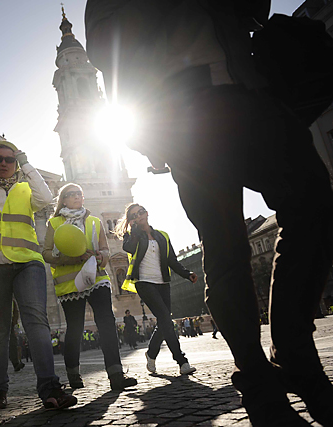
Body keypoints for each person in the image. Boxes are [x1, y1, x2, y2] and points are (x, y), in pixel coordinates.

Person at [86, 2, 333, 425]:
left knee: (315, 204)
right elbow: (110, 49)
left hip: (249, 87)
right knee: (223, 241)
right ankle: (256, 379)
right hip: (182, 107)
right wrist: (145, 133)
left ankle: (293, 348)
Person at [0, 141, 77, 410]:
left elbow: (47, 199)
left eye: (10, 159)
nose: (4, 163)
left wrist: (26, 163)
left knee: (36, 321)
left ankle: (50, 387)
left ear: (16, 163)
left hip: (27, 262)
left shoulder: (26, 189)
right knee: (0, 330)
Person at [42, 183, 137, 391]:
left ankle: (116, 374)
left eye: (79, 194)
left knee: (107, 323)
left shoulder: (95, 221)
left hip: (97, 278)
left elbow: (105, 249)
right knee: (74, 328)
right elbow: (46, 254)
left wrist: (101, 256)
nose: (76, 197)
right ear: (63, 200)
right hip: (69, 284)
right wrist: (68, 257)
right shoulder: (54, 223)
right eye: (71, 194)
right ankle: (73, 375)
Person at [115, 204, 197, 376]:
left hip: (162, 282)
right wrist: (135, 229)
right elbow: (128, 248)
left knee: (164, 321)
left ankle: (151, 353)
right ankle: (182, 361)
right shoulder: (132, 236)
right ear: (131, 220)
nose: (139, 215)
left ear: (147, 213)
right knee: (166, 318)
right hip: (144, 282)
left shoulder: (162, 235)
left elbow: (171, 261)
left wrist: (186, 273)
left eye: (141, 212)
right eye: (134, 215)